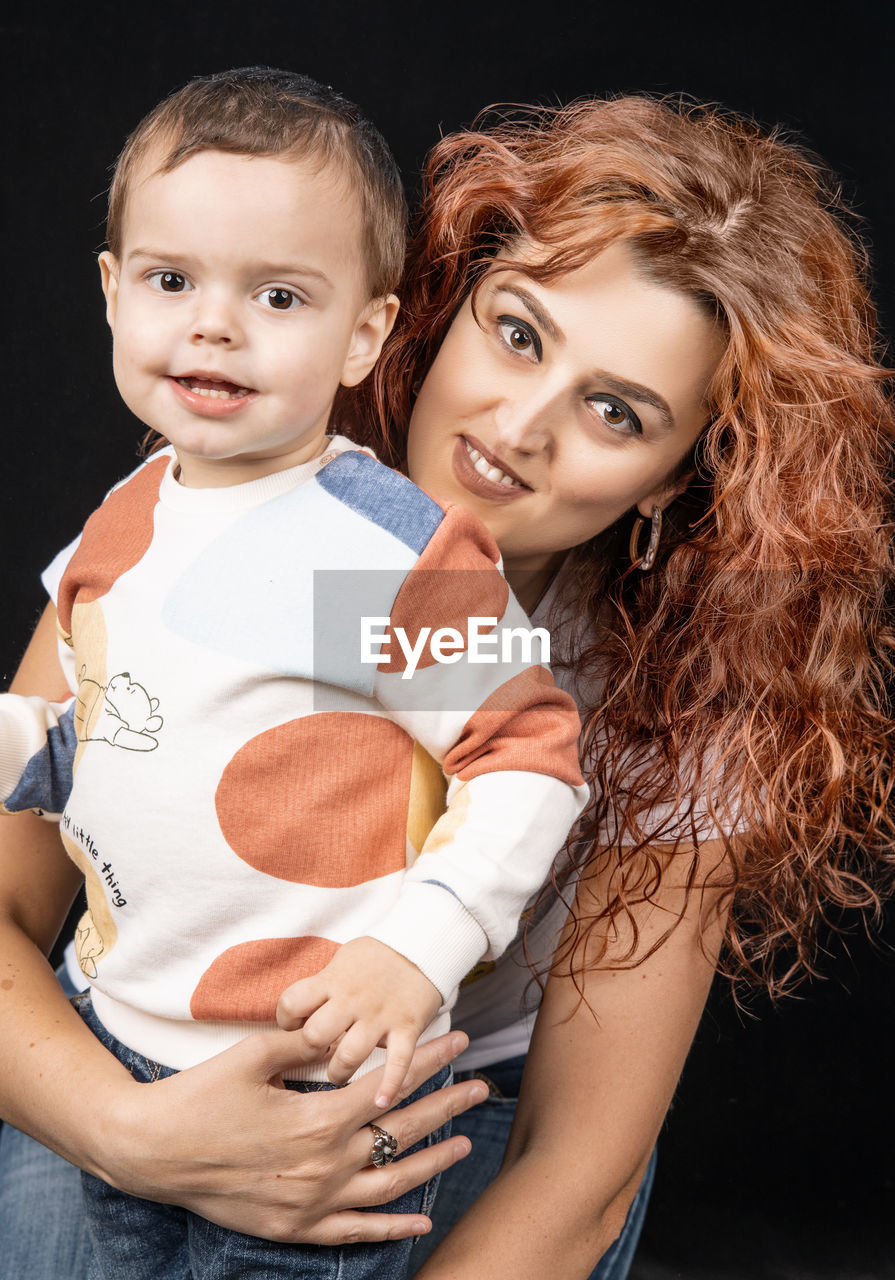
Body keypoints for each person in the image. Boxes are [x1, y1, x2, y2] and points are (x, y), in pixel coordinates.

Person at [1, 94, 892, 1280]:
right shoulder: (228, 495)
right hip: (134, 1053)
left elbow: (576, 1167)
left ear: (674, 480)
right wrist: (133, 1138)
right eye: (517, 334)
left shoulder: (683, 701)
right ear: (434, 309)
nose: (519, 426)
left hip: (443, 1094)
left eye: (615, 411)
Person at [0, 68, 588, 1280]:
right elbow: (87, 730)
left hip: (304, 1095)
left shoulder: (377, 552)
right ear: (112, 294)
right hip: (105, 1038)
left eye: (277, 294)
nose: (213, 325)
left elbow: (532, 756)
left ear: (363, 332)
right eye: (171, 281)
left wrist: (417, 945)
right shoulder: (125, 516)